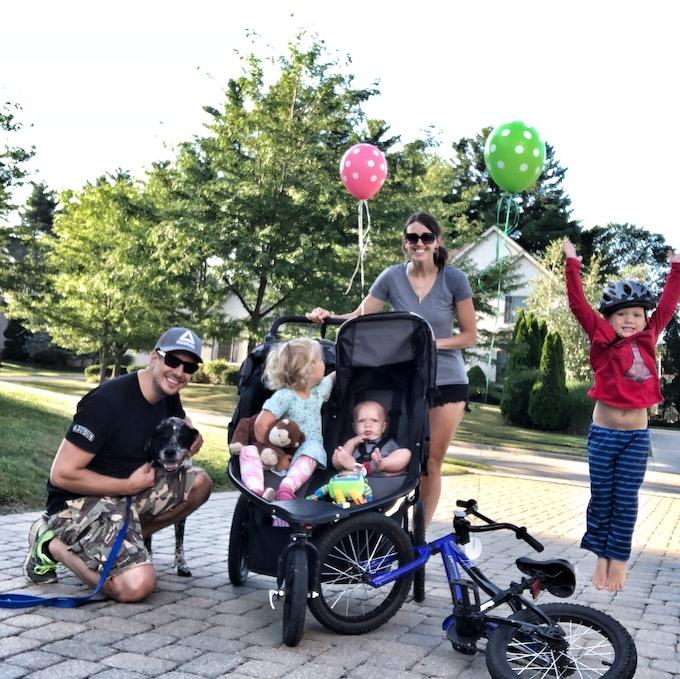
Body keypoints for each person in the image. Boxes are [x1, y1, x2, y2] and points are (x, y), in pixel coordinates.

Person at [308, 211, 477, 525]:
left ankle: (417, 538)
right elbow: (360, 316)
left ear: (437, 241)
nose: (419, 243)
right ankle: (384, 522)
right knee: (400, 456)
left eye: (426, 237)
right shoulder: (391, 277)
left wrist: (429, 343)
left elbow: (469, 335)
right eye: (412, 237)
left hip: (448, 381)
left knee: (430, 462)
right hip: (408, 379)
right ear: (405, 242)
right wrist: (328, 316)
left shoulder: (454, 279)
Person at [22, 327, 213, 602]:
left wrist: (193, 435)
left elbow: (182, 419)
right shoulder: (106, 403)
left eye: (189, 366)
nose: (180, 372)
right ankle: (52, 544)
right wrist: (127, 485)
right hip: (78, 502)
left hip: (126, 496)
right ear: (154, 358)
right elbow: (61, 474)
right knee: (136, 586)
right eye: (173, 361)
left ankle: (125, 543)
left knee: (200, 483)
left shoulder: (168, 395)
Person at [563, 238, 680, 592]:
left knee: (626, 499)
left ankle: (619, 560)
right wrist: (572, 264)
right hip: (603, 434)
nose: (630, 321)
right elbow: (578, 304)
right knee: (602, 497)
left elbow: (668, 306)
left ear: (645, 320)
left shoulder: (649, 338)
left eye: (636, 315)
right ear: (609, 319)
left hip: (635, 438)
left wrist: (676, 268)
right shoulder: (600, 337)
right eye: (621, 315)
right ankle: (600, 555)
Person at [240, 337, 336, 502]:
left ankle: (287, 488)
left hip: (302, 453)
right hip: (277, 452)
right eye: (320, 360)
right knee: (248, 452)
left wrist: (347, 365)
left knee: (314, 449)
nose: (325, 363)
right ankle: (256, 489)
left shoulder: (318, 392)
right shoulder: (285, 395)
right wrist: (271, 450)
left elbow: (334, 376)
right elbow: (261, 424)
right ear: (308, 369)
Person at [332, 400, 411, 475]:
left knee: (406, 453)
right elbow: (342, 457)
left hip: (380, 470)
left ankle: (379, 465)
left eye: (374, 420)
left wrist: (384, 463)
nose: (368, 425)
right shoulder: (354, 444)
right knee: (337, 457)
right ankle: (354, 467)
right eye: (362, 421)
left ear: (383, 427)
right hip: (354, 476)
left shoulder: (388, 443)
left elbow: (399, 460)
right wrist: (351, 443)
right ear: (354, 427)